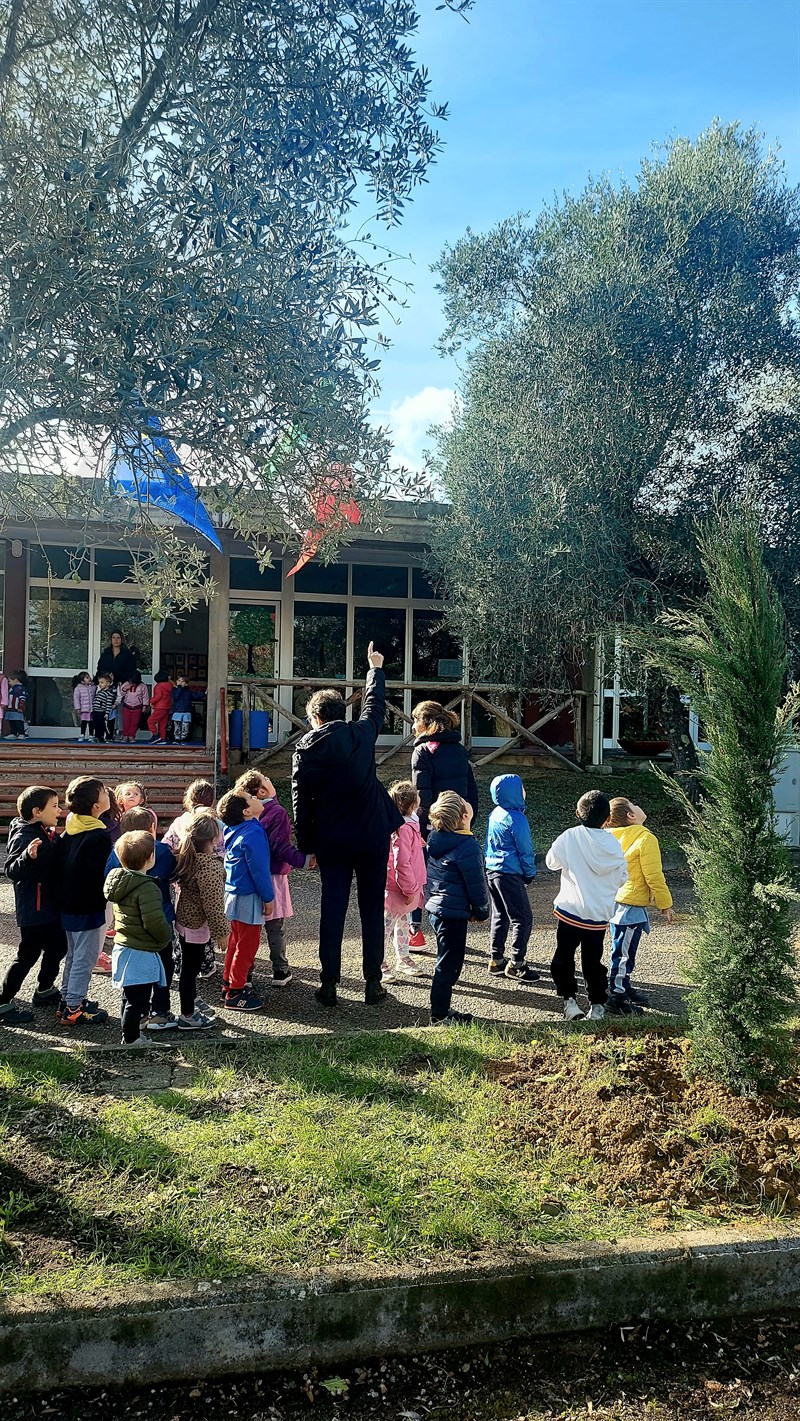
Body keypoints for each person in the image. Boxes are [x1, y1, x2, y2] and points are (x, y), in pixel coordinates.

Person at [292, 642, 403, 1008]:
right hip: (372, 834)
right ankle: (373, 981)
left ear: (314, 717)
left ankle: (328, 983)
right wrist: (374, 669)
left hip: (332, 839)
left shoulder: (305, 750)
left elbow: (300, 802)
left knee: (333, 907)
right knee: (372, 906)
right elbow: (375, 706)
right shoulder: (361, 734)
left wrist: (306, 845)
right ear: (341, 713)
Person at [545, 790, 628, 1023]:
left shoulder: (570, 836)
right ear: (607, 818)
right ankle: (597, 1005)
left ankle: (569, 1001)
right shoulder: (613, 843)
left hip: (570, 911)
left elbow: (551, 863)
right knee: (593, 961)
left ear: (578, 813)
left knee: (564, 956)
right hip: (598, 915)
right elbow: (623, 876)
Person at [408, 700, 479, 949]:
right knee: (454, 876)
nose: (413, 726)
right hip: (459, 821)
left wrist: (419, 826)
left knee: (421, 875)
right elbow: (471, 788)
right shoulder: (459, 749)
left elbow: (422, 795)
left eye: (416, 720)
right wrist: (470, 818)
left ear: (426, 723)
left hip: (434, 824)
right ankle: (448, 929)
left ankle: (414, 930)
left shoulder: (423, 751)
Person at [105, 807, 180, 1030]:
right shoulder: (160, 852)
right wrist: (166, 934)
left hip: (127, 926)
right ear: (152, 828)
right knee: (163, 969)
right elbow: (173, 871)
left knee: (133, 977)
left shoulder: (116, 852)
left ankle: (133, 1016)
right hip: (159, 919)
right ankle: (160, 1011)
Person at [236, 770, 311, 988]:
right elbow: (281, 846)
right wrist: (304, 860)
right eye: (267, 779)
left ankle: (247, 972)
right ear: (261, 790)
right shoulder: (276, 811)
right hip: (274, 875)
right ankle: (280, 970)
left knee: (251, 925)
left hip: (250, 875)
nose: (270, 779)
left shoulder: (247, 811)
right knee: (275, 925)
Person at [0, 786, 67, 1026]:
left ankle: (45, 989)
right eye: (55, 806)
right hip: (34, 910)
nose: (60, 811)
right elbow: (11, 870)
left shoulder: (35, 827)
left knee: (58, 946)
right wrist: (28, 857)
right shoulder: (25, 836)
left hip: (46, 906)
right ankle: (4, 1001)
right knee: (27, 955)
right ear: (37, 811)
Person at [424, 791, 489, 1026]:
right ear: (464, 816)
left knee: (446, 960)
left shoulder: (437, 839)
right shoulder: (467, 846)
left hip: (438, 909)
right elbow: (477, 885)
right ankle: (439, 1014)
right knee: (449, 965)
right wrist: (481, 911)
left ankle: (441, 1009)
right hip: (452, 913)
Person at [605, 796, 674, 1015]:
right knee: (623, 953)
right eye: (634, 805)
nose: (638, 806)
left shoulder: (609, 836)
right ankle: (615, 997)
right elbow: (654, 876)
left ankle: (623, 987)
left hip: (614, 901)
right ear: (631, 815)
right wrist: (665, 904)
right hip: (630, 905)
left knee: (621, 948)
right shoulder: (645, 838)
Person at [54, 776, 112, 1027]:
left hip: (67, 904)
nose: (108, 794)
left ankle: (67, 998)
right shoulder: (98, 835)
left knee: (73, 956)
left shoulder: (70, 830)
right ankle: (73, 1008)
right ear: (95, 806)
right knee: (85, 959)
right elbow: (99, 874)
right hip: (88, 906)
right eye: (103, 793)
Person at [218, 789, 274, 1011]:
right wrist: (268, 898)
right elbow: (259, 870)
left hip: (234, 893)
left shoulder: (235, 830)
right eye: (251, 798)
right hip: (250, 896)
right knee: (247, 946)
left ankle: (228, 982)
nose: (255, 797)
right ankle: (236, 991)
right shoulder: (253, 833)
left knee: (236, 942)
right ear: (247, 811)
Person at [173, 812, 227, 1029]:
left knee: (188, 966)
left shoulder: (189, 857)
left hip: (185, 918)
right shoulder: (210, 866)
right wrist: (222, 932)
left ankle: (191, 1002)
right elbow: (213, 903)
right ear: (214, 839)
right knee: (190, 969)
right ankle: (187, 1014)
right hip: (196, 924)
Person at [484, 773, 539, 984]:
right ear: (515, 792)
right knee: (522, 918)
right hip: (509, 872)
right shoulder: (517, 818)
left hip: (492, 870)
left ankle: (496, 959)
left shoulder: (495, 813)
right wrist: (529, 872)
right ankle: (517, 964)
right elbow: (525, 849)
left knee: (500, 915)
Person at [382, 780, 426, 982]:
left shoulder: (408, 823)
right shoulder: (405, 827)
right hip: (399, 887)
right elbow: (401, 862)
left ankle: (403, 958)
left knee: (400, 924)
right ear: (412, 804)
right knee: (386, 926)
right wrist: (410, 889)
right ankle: (379, 962)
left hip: (405, 886)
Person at [162, 779, 222, 853]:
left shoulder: (179, 823)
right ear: (212, 801)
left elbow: (164, 847)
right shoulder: (220, 827)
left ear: (189, 800)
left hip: (181, 863)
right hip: (210, 864)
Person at [118, 672, 150, 743]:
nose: (134, 684)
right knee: (126, 721)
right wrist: (124, 689)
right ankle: (125, 735)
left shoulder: (143, 686)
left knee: (134, 722)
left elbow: (145, 697)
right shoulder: (126, 684)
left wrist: (145, 706)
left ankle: (132, 736)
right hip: (127, 706)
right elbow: (121, 694)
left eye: (135, 683)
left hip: (137, 707)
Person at [148, 669, 173, 744]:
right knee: (163, 723)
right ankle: (163, 738)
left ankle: (156, 735)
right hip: (167, 707)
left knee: (150, 721)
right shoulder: (170, 685)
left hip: (160, 707)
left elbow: (158, 696)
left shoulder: (158, 686)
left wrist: (151, 701)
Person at [92, 674, 116, 742]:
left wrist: (107, 713)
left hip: (101, 712)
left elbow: (108, 705)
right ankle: (97, 736)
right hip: (95, 711)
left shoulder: (109, 694)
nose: (100, 684)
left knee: (103, 725)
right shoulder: (99, 692)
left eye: (102, 683)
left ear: (108, 683)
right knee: (96, 725)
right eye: (99, 682)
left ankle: (106, 736)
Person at [72, 673, 94, 742]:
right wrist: (78, 708)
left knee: (91, 723)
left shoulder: (93, 687)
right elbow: (76, 699)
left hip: (91, 709)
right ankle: (82, 734)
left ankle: (91, 735)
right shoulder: (78, 688)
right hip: (84, 709)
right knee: (84, 722)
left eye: (89, 677)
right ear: (82, 681)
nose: (89, 678)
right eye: (87, 677)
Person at [5, 672, 29, 737]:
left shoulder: (20, 689)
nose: (8, 683)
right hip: (11, 708)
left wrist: (21, 707)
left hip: (17, 709)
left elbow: (22, 698)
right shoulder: (13, 688)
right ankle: (13, 733)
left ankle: (21, 733)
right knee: (12, 721)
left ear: (16, 680)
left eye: (10, 681)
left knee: (18, 721)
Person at [171, 675, 193, 744]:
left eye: (182, 681)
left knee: (185, 726)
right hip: (177, 711)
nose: (180, 682)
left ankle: (184, 737)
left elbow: (195, 695)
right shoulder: (174, 690)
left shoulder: (188, 692)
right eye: (179, 681)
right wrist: (179, 688)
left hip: (186, 711)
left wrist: (204, 694)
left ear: (186, 684)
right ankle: (177, 737)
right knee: (177, 725)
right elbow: (176, 697)